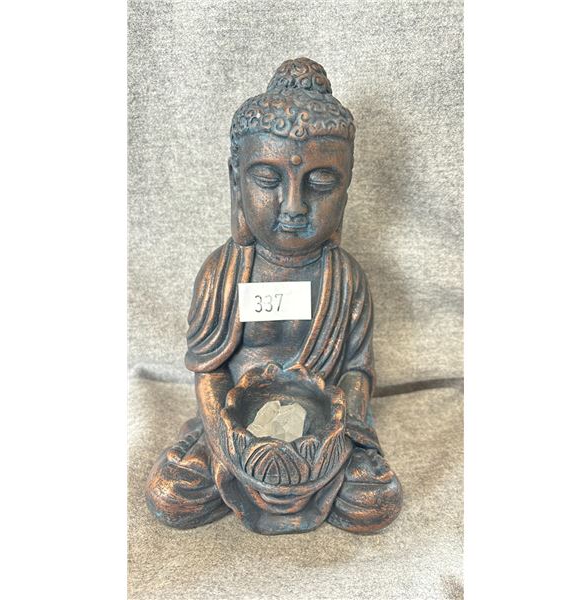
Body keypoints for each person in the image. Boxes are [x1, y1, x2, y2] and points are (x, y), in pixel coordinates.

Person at [146, 58, 402, 534]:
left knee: (372, 500)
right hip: (234, 426)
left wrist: (339, 433)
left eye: (321, 184)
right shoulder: (224, 273)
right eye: (267, 180)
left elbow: (356, 371)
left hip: (322, 432)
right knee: (174, 493)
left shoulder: (345, 278)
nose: (294, 206)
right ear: (236, 180)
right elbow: (208, 371)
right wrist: (226, 441)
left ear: (346, 188)